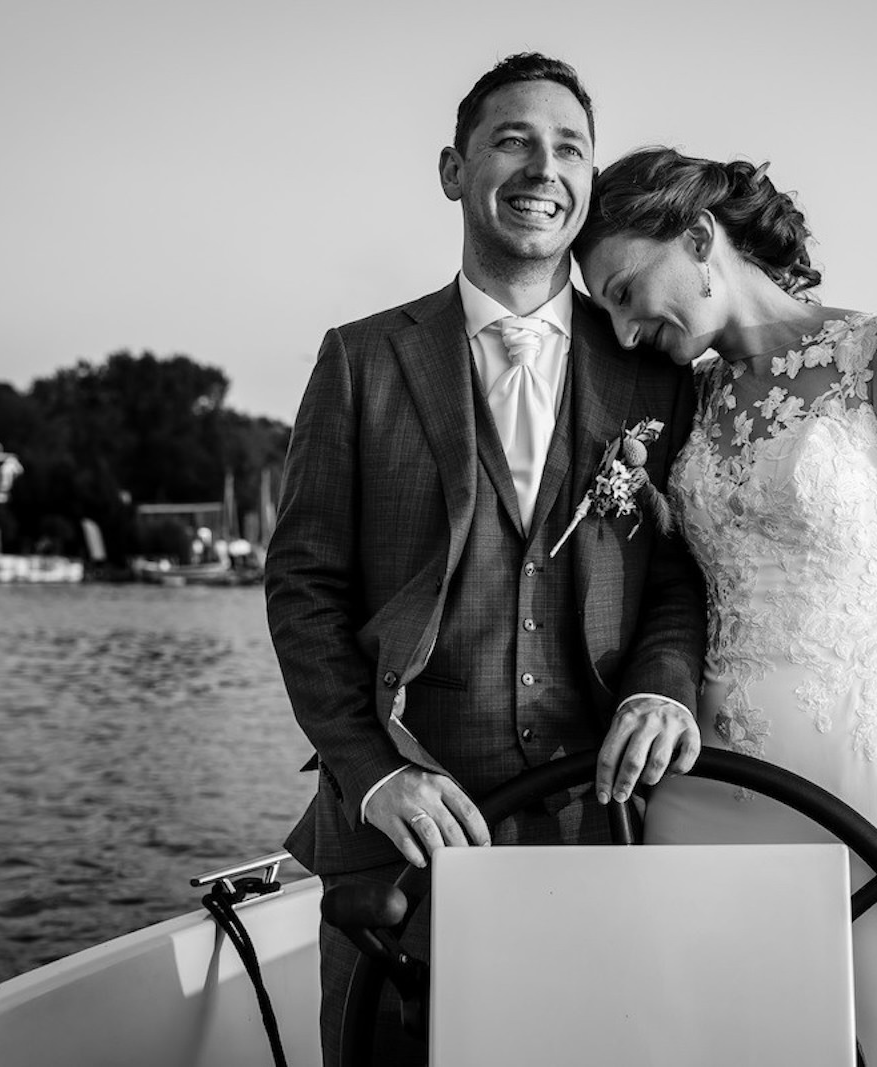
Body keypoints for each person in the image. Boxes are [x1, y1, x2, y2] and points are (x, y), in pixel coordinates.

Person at [264, 60, 707, 1065]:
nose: (542, 168)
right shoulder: (359, 358)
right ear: (452, 169)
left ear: (588, 181)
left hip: (596, 828)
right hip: (396, 841)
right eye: (512, 140)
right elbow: (302, 590)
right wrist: (374, 773)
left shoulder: (653, 368)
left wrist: (663, 688)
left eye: (569, 148)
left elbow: (681, 574)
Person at [574, 147, 877, 1067]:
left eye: (625, 291)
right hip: (704, 779)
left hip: (866, 779)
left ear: (699, 239)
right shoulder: (681, 399)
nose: (621, 330)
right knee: (703, 1039)